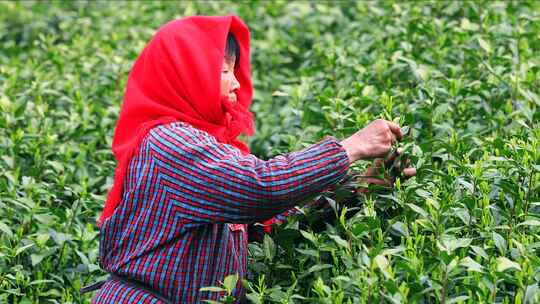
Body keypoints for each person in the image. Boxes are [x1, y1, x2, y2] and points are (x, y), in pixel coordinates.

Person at [86, 15, 415, 304]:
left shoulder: (204, 147)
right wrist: (350, 147)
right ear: (187, 74)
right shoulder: (170, 144)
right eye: (223, 70)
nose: (236, 82)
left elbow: (270, 227)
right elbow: (261, 187)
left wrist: (361, 187)